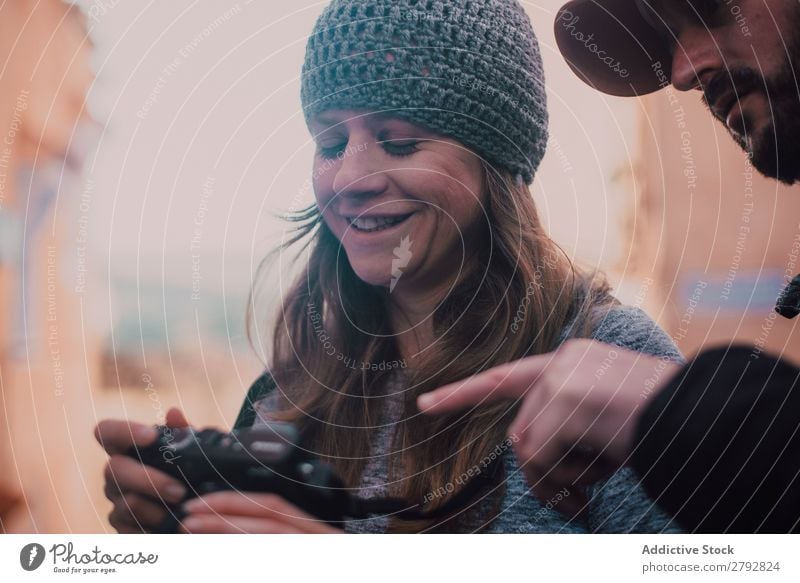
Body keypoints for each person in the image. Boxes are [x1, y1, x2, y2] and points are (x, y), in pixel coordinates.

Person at [96, 0, 685, 534]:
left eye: (399, 141)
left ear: (495, 163)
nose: (350, 180)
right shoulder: (289, 393)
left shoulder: (616, 365)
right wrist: (182, 532)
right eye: (329, 144)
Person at [419, 0, 800, 533]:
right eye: (331, 141)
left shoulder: (607, 347)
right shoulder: (284, 394)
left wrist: (683, 418)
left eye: (709, 8)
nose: (682, 72)